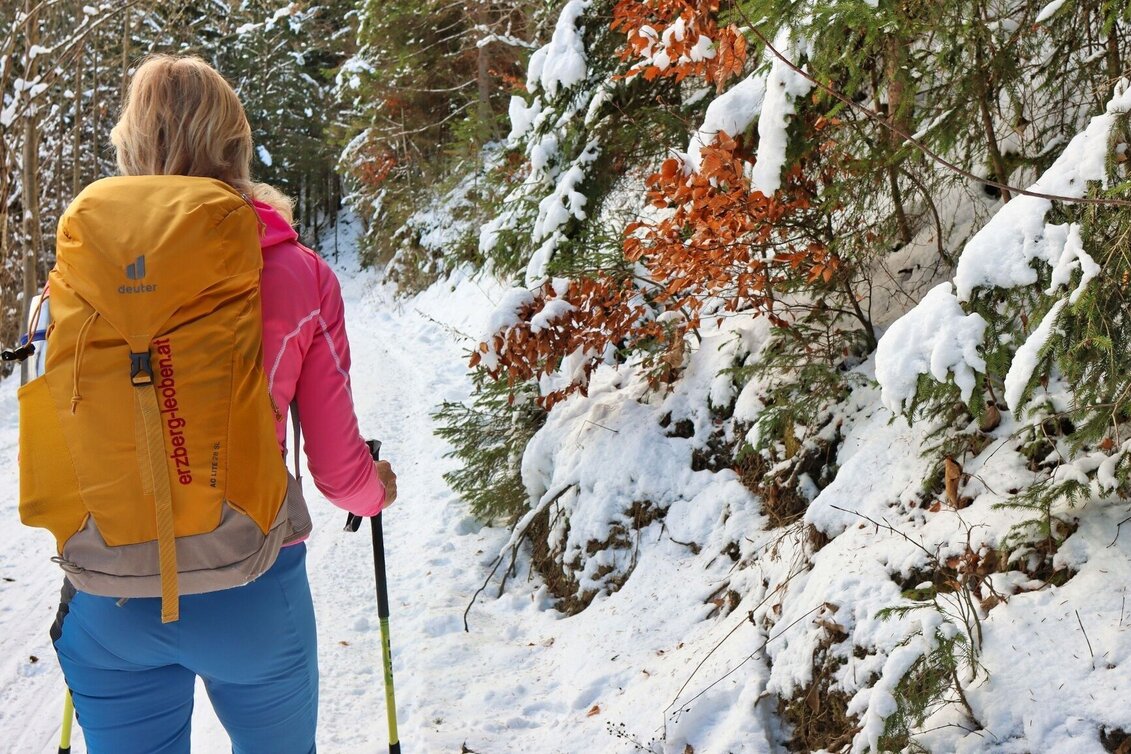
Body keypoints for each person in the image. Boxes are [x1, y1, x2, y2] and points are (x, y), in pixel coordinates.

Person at [48, 54, 397, 754]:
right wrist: (374, 493)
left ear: (129, 146)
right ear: (236, 147)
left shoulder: (76, 278)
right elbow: (337, 472)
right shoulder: (298, 275)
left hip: (109, 595)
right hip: (253, 587)